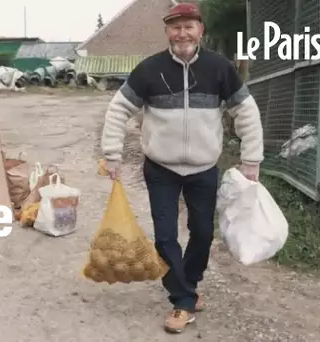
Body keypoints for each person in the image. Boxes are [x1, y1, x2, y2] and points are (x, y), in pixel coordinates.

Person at [100, 2, 263, 334]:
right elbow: (118, 110)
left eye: (189, 26)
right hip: (160, 167)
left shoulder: (220, 68)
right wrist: (112, 154)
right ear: (167, 32)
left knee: (202, 233)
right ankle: (184, 301)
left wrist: (251, 160)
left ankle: (188, 282)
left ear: (200, 30)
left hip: (204, 168)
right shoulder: (149, 70)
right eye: (175, 27)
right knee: (164, 237)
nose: (182, 33)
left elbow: (245, 112)